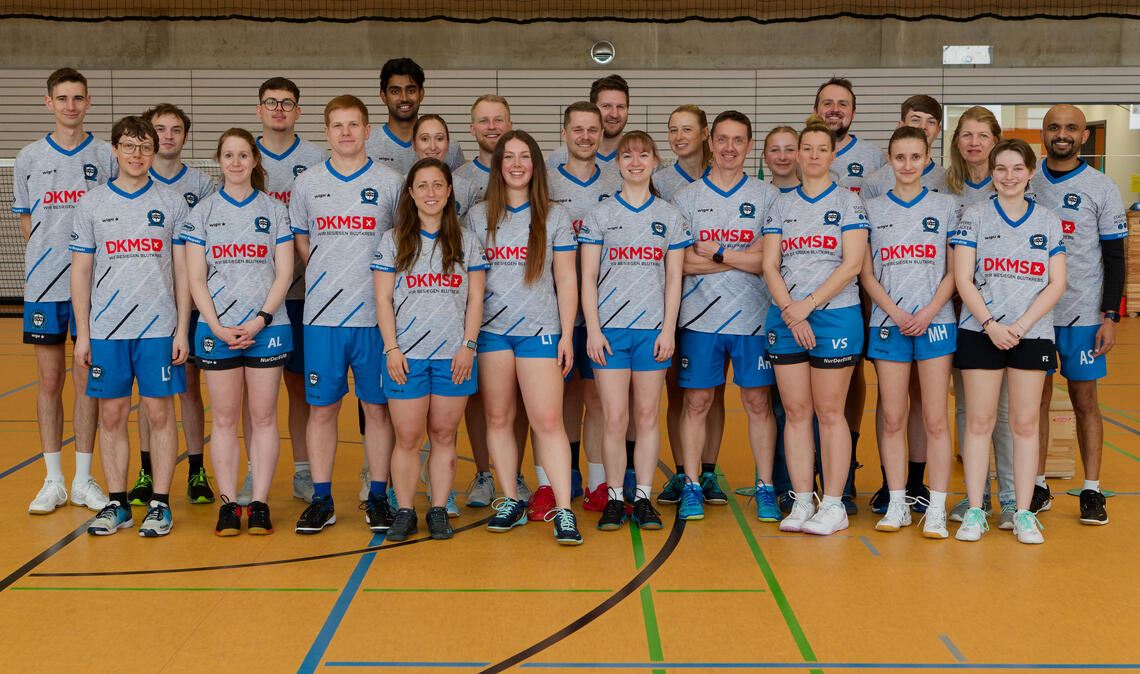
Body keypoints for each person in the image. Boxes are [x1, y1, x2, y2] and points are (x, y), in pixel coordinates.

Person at [71, 115, 190, 536]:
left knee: (159, 414)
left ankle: (160, 504)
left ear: (154, 152)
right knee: (112, 416)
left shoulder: (172, 203)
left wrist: (182, 329)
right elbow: (81, 272)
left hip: (158, 329)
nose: (137, 154)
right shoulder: (92, 204)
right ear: (115, 150)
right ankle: (117, 503)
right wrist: (83, 333)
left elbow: (183, 272)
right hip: (107, 330)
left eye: (144, 147)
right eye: (129, 146)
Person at [289, 95, 402, 535]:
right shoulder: (307, 183)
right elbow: (302, 242)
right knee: (322, 410)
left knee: (377, 410)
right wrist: (326, 273)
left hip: (376, 320)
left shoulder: (390, 183)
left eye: (353, 124)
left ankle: (378, 496)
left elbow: (402, 244)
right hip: (323, 318)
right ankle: (322, 500)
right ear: (327, 132)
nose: (346, 132)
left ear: (367, 130)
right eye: (337, 125)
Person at [464, 130, 582, 544]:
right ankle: (511, 499)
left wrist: (566, 334)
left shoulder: (555, 216)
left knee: (548, 421)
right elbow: (470, 283)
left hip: (540, 332)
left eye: (524, 157)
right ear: (498, 166)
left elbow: (567, 279)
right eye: (509, 157)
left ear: (536, 165)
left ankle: (564, 509)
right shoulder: (477, 217)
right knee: (498, 418)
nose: (516, 164)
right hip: (493, 333)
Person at [951, 138, 1066, 545]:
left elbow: (1056, 282)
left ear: (1031, 172)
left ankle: (1023, 512)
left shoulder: (1047, 220)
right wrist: (990, 324)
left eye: (1018, 168)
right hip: (980, 331)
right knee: (979, 422)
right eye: (1001, 168)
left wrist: (1019, 325)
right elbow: (963, 277)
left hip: (1031, 333)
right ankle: (976, 510)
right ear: (992, 173)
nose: (1009, 176)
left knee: (1024, 424)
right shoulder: (975, 215)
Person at [762, 115, 869, 536]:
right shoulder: (781, 204)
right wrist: (791, 311)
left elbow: (852, 264)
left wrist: (807, 305)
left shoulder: (847, 202)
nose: (812, 155)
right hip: (787, 316)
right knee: (795, 412)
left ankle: (835, 503)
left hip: (834, 316)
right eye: (806, 148)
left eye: (821, 149)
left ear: (833, 154)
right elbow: (770, 265)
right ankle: (803, 499)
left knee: (829, 412)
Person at [671, 111, 780, 523]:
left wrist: (717, 253)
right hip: (700, 320)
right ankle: (692, 484)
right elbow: (681, 263)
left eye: (738, 140)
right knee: (697, 402)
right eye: (722, 139)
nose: (729, 148)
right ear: (710, 143)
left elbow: (769, 261)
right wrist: (742, 258)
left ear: (749, 146)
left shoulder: (768, 196)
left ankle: (765, 486)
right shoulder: (686, 198)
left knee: (757, 402)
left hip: (755, 319)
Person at [183, 128, 293, 535]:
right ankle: (229, 504)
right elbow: (196, 278)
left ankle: (260, 503)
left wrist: (260, 319)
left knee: (263, 418)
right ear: (219, 160)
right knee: (225, 420)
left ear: (254, 160)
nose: (235, 162)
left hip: (267, 328)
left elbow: (284, 273)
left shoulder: (274, 209)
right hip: (217, 331)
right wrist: (216, 326)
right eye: (228, 155)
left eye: (243, 155)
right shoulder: (203, 213)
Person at [373, 158, 488, 541]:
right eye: (422, 185)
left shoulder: (466, 242)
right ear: (410, 193)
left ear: (449, 191)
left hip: (452, 357)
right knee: (408, 437)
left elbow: (475, 299)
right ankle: (406, 510)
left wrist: (468, 346)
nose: (431, 193)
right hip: (406, 357)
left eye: (438, 185)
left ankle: (438, 509)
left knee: (443, 435)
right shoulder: (393, 241)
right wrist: (392, 349)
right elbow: (383, 299)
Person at [580, 131, 689, 531]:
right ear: (618, 164)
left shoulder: (669, 216)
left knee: (646, 416)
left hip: (651, 331)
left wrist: (668, 330)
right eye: (628, 156)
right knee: (614, 417)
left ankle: (642, 497)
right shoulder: (601, 214)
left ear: (655, 161)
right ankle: (613, 497)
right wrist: (593, 330)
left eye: (644, 155)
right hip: (610, 331)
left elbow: (674, 279)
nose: (636, 162)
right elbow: (587, 278)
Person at [16, 67, 112, 515]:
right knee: (50, 382)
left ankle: (83, 479)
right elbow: (26, 221)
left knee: (87, 381)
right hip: (44, 288)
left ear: (88, 101)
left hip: (94, 291)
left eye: (78, 97)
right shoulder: (29, 157)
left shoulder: (106, 155)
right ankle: (52, 480)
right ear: (48, 102)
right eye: (62, 98)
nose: (70, 106)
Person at [1028, 104, 1127, 526]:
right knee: (1036, 401)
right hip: (1034, 315)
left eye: (1071, 128)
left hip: (1083, 315)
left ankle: (1091, 489)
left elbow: (1116, 257)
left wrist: (1111, 316)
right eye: (1054, 127)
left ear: (1084, 136)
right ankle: (1037, 485)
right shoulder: (1027, 181)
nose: (1062, 134)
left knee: (1085, 401)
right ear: (1043, 134)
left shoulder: (1101, 187)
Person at [860, 126, 959, 538]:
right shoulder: (871, 208)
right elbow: (866, 273)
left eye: (915, 157)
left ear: (927, 159)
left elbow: (954, 271)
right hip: (890, 324)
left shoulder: (947, 206)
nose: (907, 165)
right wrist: (896, 312)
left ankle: (935, 507)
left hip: (936, 323)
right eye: (899, 157)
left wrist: (930, 311)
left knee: (935, 418)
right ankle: (898, 502)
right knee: (893, 417)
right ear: (889, 159)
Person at [128, 103, 216, 508]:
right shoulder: (130, 180)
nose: (167, 136)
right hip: (146, 305)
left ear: (185, 136)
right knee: (150, 395)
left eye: (176, 129)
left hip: (190, 303)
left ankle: (197, 469)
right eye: (160, 129)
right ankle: (146, 471)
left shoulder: (201, 185)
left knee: (190, 390)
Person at [545, 101, 621, 519]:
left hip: (601, 313)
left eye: (593, 130)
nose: (586, 137)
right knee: (558, 398)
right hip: (553, 310)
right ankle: (558, 479)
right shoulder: (545, 180)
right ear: (564, 133)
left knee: (596, 397)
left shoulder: (617, 179)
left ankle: (596, 483)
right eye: (578, 129)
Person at [943, 106, 1017, 528]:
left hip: (1005, 317)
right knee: (969, 409)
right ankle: (978, 498)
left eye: (982, 135)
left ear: (996, 141)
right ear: (956, 141)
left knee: (1004, 412)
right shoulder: (944, 187)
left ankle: (1011, 498)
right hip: (959, 315)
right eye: (966, 135)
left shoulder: (1013, 186)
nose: (974, 143)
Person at [255, 76, 327, 504]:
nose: (279, 109)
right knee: (255, 394)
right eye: (271, 102)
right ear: (259, 109)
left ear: (298, 111)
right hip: (254, 299)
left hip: (304, 296)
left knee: (300, 386)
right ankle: (254, 473)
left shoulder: (317, 159)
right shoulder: (244, 157)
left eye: (287, 103)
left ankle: (303, 471)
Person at [365, 58, 464, 174]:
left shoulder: (451, 148)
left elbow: (460, 184)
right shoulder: (366, 144)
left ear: (421, 94)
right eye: (395, 91)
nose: (404, 98)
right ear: (383, 96)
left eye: (411, 90)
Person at [861, 95, 947, 199]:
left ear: (938, 130)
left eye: (931, 122)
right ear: (901, 125)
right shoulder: (874, 182)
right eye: (915, 120)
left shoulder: (948, 181)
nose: (923, 127)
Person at [547, 75, 630, 175]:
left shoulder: (640, 160)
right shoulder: (558, 158)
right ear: (593, 108)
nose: (614, 114)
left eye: (621, 107)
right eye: (606, 106)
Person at [814, 77, 885, 194]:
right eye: (827, 103)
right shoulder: (799, 155)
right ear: (815, 111)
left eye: (842, 104)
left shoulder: (875, 156)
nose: (835, 109)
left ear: (853, 114)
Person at [413, 114, 482, 220]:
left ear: (448, 143)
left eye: (439, 139)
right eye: (425, 139)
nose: (432, 147)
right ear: (414, 144)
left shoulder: (468, 190)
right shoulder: (399, 186)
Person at [454, 94, 512, 201]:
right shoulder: (457, 180)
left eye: (498, 120)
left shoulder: (525, 174)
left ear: (509, 126)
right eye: (483, 121)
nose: (491, 126)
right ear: (473, 129)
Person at [654, 104, 711, 202]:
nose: (679, 137)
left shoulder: (721, 178)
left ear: (704, 133)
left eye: (687, 129)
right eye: (673, 130)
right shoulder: (657, 182)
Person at [764, 126, 800, 192]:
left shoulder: (815, 195)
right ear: (765, 157)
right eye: (775, 150)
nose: (782, 157)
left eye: (790, 149)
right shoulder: (757, 196)